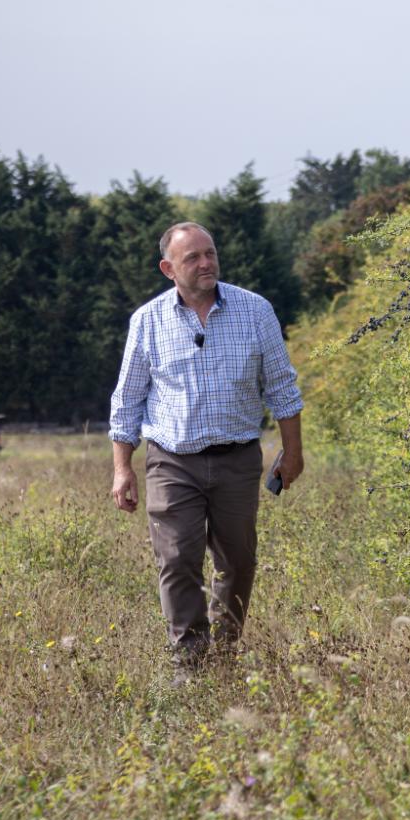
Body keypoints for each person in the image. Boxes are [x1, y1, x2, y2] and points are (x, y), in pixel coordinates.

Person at [109, 221, 304, 674]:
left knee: (238, 561)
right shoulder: (148, 321)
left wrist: (293, 453)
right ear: (168, 268)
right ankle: (189, 662)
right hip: (171, 461)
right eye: (192, 257)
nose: (205, 263)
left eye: (210, 253)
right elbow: (127, 399)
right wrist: (123, 468)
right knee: (177, 559)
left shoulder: (255, 311)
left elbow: (282, 387)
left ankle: (227, 651)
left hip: (237, 460)